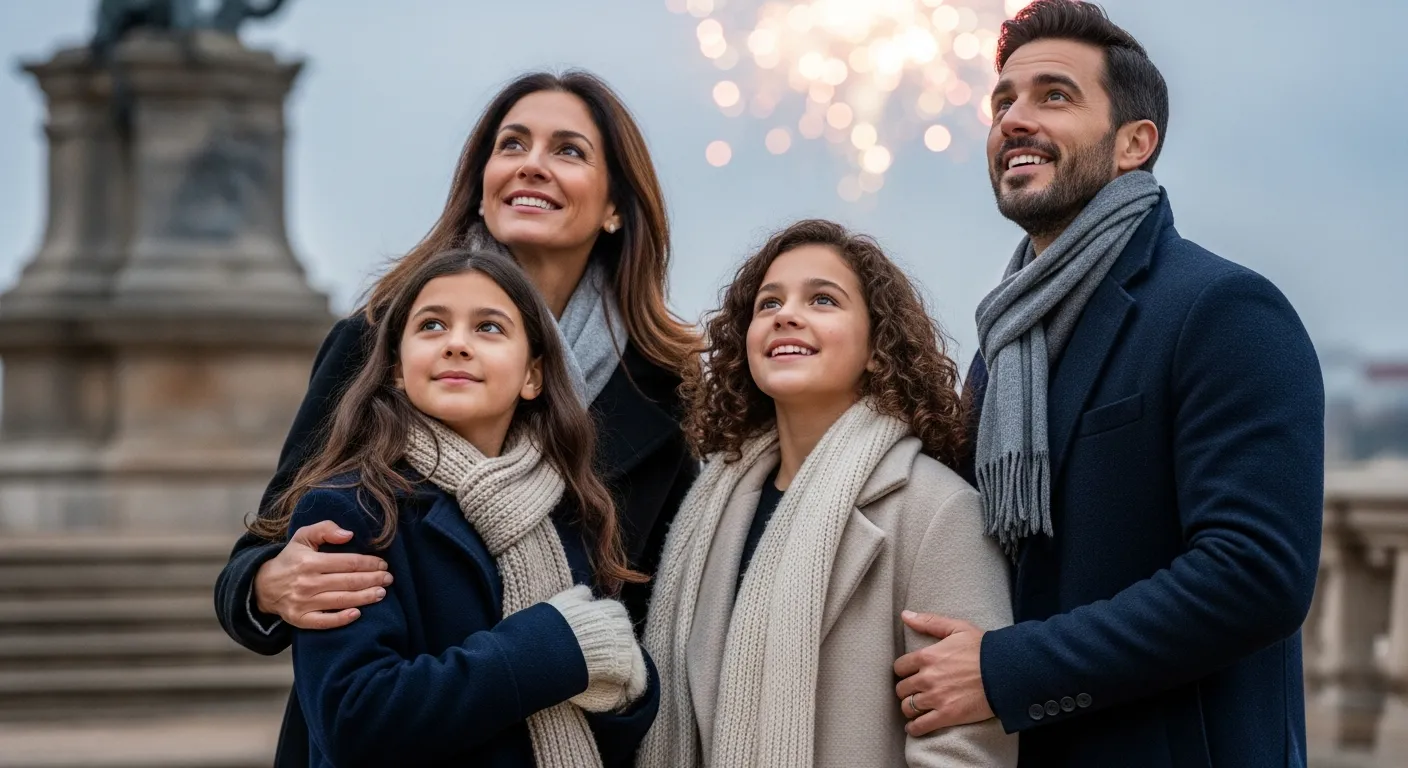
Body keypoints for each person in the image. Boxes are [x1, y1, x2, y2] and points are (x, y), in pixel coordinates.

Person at [210, 70, 697, 765]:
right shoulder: (380, 342)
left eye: (567, 150)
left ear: (616, 206)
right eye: (512, 145)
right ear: (481, 182)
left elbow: (654, 613)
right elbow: (266, 545)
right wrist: (264, 584)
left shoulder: (660, 389)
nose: (532, 163)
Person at [892, 3, 1324, 766]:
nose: (1014, 120)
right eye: (1003, 102)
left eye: (1054, 96)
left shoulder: (1223, 310)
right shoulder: (1003, 347)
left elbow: (1254, 576)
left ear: (1134, 144)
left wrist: (1008, 671)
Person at [256, 248, 657, 767]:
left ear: (533, 375)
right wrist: (552, 647)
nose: (457, 344)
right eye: (432, 326)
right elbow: (353, 721)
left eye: (489, 328)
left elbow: (605, 715)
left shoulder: (574, 509)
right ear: (397, 369)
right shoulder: (351, 510)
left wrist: (631, 691)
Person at [638, 220, 1017, 767]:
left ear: (877, 348)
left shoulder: (937, 510)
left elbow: (967, 746)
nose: (786, 315)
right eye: (769, 303)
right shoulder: (707, 512)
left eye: (823, 299)